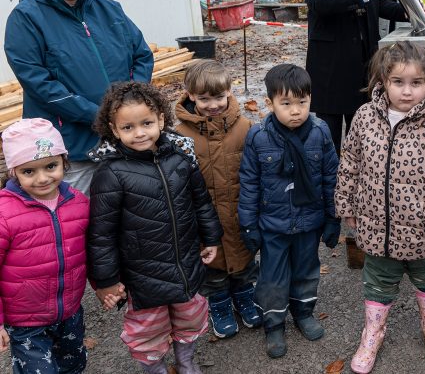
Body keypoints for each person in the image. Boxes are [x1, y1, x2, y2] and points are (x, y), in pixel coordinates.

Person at [335, 41, 425, 373]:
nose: (407, 92)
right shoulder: (365, 117)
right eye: (398, 82)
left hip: (423, 231)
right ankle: (373, 332)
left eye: (416, 83)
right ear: (383, 80)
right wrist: (347, 202)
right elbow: (350, 163)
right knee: (377, 281)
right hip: (376, 230)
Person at [87, 82, 223, 374]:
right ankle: (155, 368)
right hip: (142, 275)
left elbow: (201, 202)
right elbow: (101, 234)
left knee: (190, 316)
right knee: (148, 329)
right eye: (128, 127)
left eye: (147, 123)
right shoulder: (109, 174)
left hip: (186, 263)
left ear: (161, 119)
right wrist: (106, 280)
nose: (139, 133)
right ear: (114, 128)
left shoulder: (180, 159)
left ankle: (186, 361)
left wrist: (211, 237)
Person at [4, 0, 154, 195]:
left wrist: (130, 105)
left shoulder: (110, 9)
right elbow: (37, 82)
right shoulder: (27, 17)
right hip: (72, 146)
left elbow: (141, 55)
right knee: (78, 218)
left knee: (127, 213)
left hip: (122, 136)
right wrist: (97, 115)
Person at [237, 64, 340, 359]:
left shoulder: (320, 132)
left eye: (302, 102)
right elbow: (249, 184)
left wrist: (333, 218)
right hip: (273, 225)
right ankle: (274, 323)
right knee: (273, 276)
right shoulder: (259, 138)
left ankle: (303, 311)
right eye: (286, 104)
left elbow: (331, 178)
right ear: (270, 103)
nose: (295, 110)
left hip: (309, 223)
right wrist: (248, 225)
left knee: (307, 271)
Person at [298, 0, 409, 155]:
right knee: (330, 143)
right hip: (331, 69)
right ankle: (331, 191)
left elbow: (381, 5)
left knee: (364, 139)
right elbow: (320, 3)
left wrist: (408, 11)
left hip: (365, 67)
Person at [174, 60, 259, 339]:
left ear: (229, 92)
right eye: (204, 99)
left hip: (238, 212)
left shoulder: (245, 127)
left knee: (244, 262)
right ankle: (220, 306)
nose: (213, 105)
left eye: (219, 97)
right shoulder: (179, 136)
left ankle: (246, 298)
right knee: (213, 270)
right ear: (190, 95)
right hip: (204, 219)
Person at [0, 119, 89, 373]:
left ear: (64, 161)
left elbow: (92, 251)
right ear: (13, 172)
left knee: (74, 365)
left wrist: (107, 285)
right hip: (26, 322)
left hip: (70, 312)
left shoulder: (78, 203)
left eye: (51, 166)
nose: (42, 178)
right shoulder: (4, 213)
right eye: (29, 171)